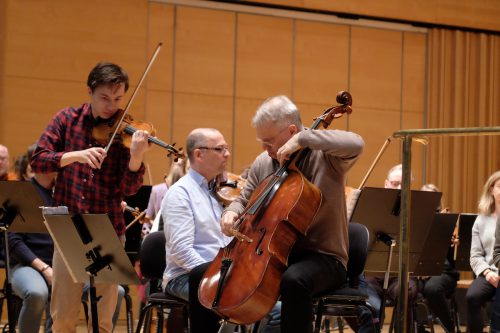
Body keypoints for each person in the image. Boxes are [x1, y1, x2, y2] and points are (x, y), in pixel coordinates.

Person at [221, 95, 365, 333]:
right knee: (205, 276)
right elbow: (243, 201)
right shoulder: (263, 162)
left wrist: (304, 138)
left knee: (294, 280)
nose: (265, 150)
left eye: (269, 142)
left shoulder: (327, 156)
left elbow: (357, 144)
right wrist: (230, 213)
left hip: (324, 258)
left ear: (291, 131)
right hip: (274, 256)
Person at [30, 62, 149, 333]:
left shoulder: (124, 130)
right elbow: (38, 161)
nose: (111, 106)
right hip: (69, 226)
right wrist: (75, 156)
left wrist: (136, 158)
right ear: (90, 91)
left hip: (107, 228)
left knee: (103, 321)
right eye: (104, 98)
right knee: (63, 315)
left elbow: (129, 189)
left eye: (118, 99)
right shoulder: (66, 119)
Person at [161, 128, 235, 333]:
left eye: (226, 148)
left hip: (218, 274)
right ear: (199, 154)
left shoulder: (218, 192)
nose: (227, 154)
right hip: (185, 277)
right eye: (220, 149)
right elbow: (181, 251)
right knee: (251, 306)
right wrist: (215, 278)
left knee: (274, 310)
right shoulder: (180, 194)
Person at [363, 164, 418, 332]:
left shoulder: (417, 210)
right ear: (386, 184)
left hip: (399, 272)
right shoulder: (370, 205)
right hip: (371, 272)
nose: (400, 188)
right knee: (366, 303)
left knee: (407, 291)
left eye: (404, 184)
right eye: (395, 183)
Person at [419, 183, 459, 333]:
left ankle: (449, 326)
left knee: (432, 289)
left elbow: (453, 256)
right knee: (405, 290)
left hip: (443, 271)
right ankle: (415, 327)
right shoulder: (413, 219)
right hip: (418, 271)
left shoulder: (445, 219)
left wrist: (454, 242)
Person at [465, 171, 500, 333]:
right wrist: (487, 272)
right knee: (472, 296)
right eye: (499, 186)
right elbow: (475, 255)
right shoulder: (481, 220)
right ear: (492, 190)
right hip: (489, 272)